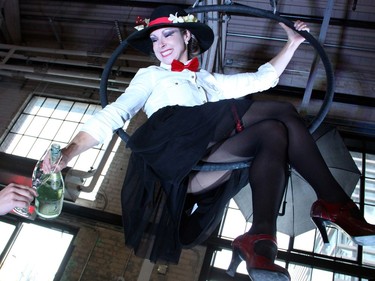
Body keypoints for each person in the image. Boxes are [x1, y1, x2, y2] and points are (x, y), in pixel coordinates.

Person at [49, 5, 375, 281]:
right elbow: (114, 113)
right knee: (281, 112)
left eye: (168, 34)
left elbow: (262, 79)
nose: (160, 44)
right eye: (154, 38)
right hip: (173, 159)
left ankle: (261, 240)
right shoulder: (151, 76)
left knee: (274, 130)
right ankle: (335, 203)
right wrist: (69, 151)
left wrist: (291, 44)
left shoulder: (209, 82)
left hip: (203, 167)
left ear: (187, 35)